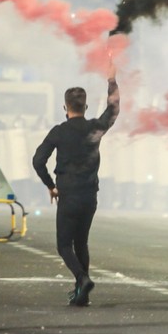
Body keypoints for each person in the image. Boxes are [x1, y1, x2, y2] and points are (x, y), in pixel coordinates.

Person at [32, 66, 120, 306]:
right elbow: (114, 109)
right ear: (86, 107)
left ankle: (82, 278)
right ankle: (82, 294)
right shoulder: (95, 128)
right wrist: (111, 79)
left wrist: (51, 186)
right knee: (81, 242)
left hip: (68, 195)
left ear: (65, 108)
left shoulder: (59, 132)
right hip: (90, 195)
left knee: (64, 245)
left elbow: (38, 161)